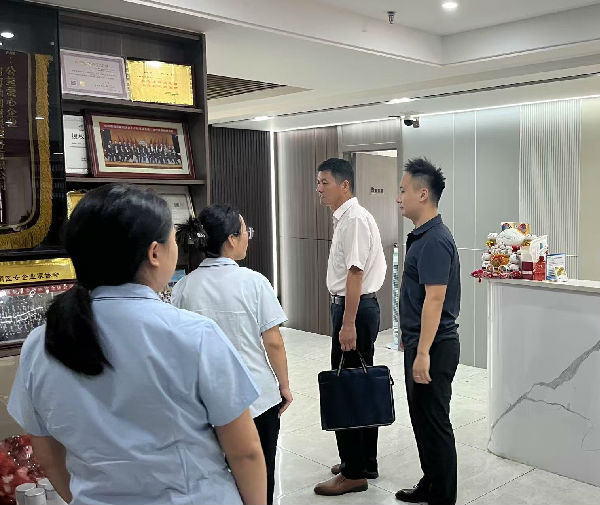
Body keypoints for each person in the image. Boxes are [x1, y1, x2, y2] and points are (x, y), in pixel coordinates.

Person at [6, 184, 266, 505]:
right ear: (154, 253)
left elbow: (47, 455)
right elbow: (245, 452)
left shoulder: (41, 343)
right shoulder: (195, 335)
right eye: (173, 239)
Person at [171, 205, 291, 505]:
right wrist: (284, 386)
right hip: (257, 398)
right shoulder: (254, 282)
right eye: (245, 231)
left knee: (216, 477)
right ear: (231, 239)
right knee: (261, 476)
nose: (248, 237)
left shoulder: (183, 287)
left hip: (205, 403)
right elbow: (273, 342)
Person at [313, 158, 387, 497]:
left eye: (324, 182)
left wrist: (347, 323)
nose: (319, 188)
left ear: (344, 185)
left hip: (353, 309)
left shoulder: (354, 219)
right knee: (360, 384)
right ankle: (363, 461)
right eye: (318, 182)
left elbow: (355, 273)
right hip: (356, 308)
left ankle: (354, 472)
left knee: (348, 387)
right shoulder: (348, 218)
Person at [395, 158, 461, 505]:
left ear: (423, 194)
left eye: (403, 190)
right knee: (421, 419)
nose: (398, 197)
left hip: (435, 347)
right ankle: (431, 483)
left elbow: (435, 299)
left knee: (434, 422)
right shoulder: (422, 236)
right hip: (421, 343)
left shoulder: (435, 240)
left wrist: (422, 353)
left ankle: (443, 496)